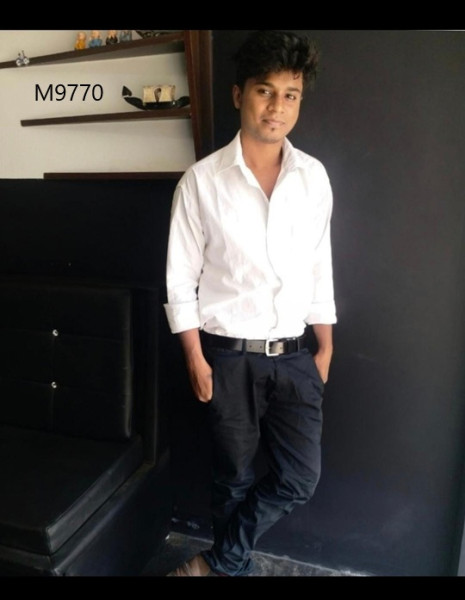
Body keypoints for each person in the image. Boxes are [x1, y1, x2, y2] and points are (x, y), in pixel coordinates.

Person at [164, 29, 337, 577]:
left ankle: (215, 564)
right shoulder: (201, 182)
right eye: (266, 91)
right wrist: (195, 357)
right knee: (233, 479)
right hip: (228, 356)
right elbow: (180, 278)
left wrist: (325, 346)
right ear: (240, 94)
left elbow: (320, 264)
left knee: (300, 477)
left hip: (296, 356)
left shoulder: (313, 178)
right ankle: (230, 569)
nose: (277, 107)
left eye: (291, 94)